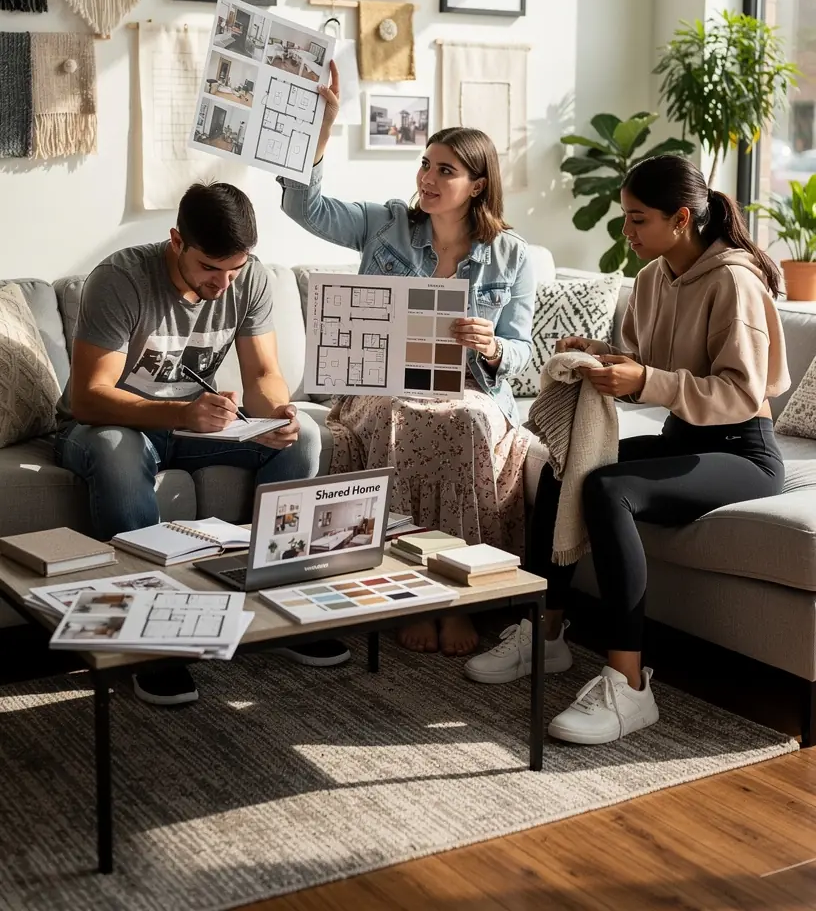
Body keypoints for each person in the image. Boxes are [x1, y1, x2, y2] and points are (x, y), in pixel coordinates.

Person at [465, 154, 789, 744]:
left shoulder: (734, 281)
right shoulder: (652, 277)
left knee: (608, 489)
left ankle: (629, 684)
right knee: (566, 462)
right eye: (625, 217)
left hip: (743, 452)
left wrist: (644, 380)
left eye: (639, 219)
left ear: (681, 219)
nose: (627, 231)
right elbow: (646, 362)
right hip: (682, 441)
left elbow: (742, 393)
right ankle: (547, 633)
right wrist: (600, 354)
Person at [55, 182, 345, 708]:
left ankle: (278, 605)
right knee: (118, 452)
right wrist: (180, 414)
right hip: (105, 426)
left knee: (302, 436)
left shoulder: (249, 278)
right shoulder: (120, 279)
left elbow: (264, 374)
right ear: (176, 242)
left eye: (235, 269)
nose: (223, 282)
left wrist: (277, 413)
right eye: (211, 267)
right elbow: (89, 398)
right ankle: (150, 639)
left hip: (191, 427)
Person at [279, 63, 535, 657]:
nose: (427, 177)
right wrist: (322, 129)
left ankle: (459, 595)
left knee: (468, 421)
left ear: (478, 185)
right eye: (425, 164)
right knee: (399, 411)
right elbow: (305, 208)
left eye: (445, 170)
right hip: (382, 386)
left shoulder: (512, 256)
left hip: (469, 390)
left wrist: (493, 346)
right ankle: (405, 587)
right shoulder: (385, 224)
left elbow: (522, 350)